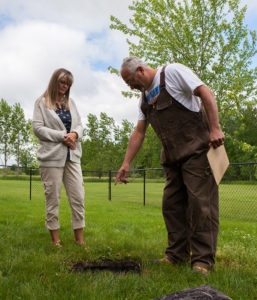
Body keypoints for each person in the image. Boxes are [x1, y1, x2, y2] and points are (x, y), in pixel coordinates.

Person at [115, 56, 225, 275]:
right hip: (173, 159)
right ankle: (176, 255)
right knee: (171, 205)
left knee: (200, 205)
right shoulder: (145, 98)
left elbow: (205, 92)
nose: (131, 86)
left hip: (197, 153)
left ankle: (202, 261)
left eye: (130, 81)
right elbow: (139, 132)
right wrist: (126, 162)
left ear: (140, 69)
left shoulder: (173, 73)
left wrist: (215, 127)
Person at [32, 68, 85, 247]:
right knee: (53, 198)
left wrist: (75, 134)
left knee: (78, 197)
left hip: (73, 157)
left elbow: (80, 125)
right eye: (62, 82)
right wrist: (64, 136)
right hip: (51, 158)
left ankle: (79, 240)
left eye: (68, 84)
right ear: (54, 81)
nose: (64, 86)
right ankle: (55, 240)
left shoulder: (72, 103)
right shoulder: (41, 103)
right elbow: (37, 128)